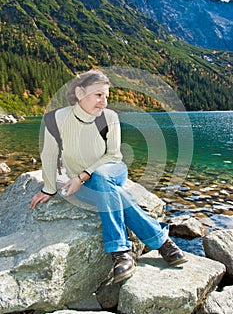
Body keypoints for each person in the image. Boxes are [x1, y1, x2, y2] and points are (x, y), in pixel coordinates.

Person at [30, 70, 187, 283]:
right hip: (91, 184)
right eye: (98, 95)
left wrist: (81, 177)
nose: (104, 102)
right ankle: (162, 241)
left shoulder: (109, 117)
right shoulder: (55, 119)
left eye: (106, 96)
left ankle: (120, 251)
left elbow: (113, 155)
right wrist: (48, 188)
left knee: (103, 177)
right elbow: (48, 155)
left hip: (112, 170)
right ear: (79, 92)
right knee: (114, 194)